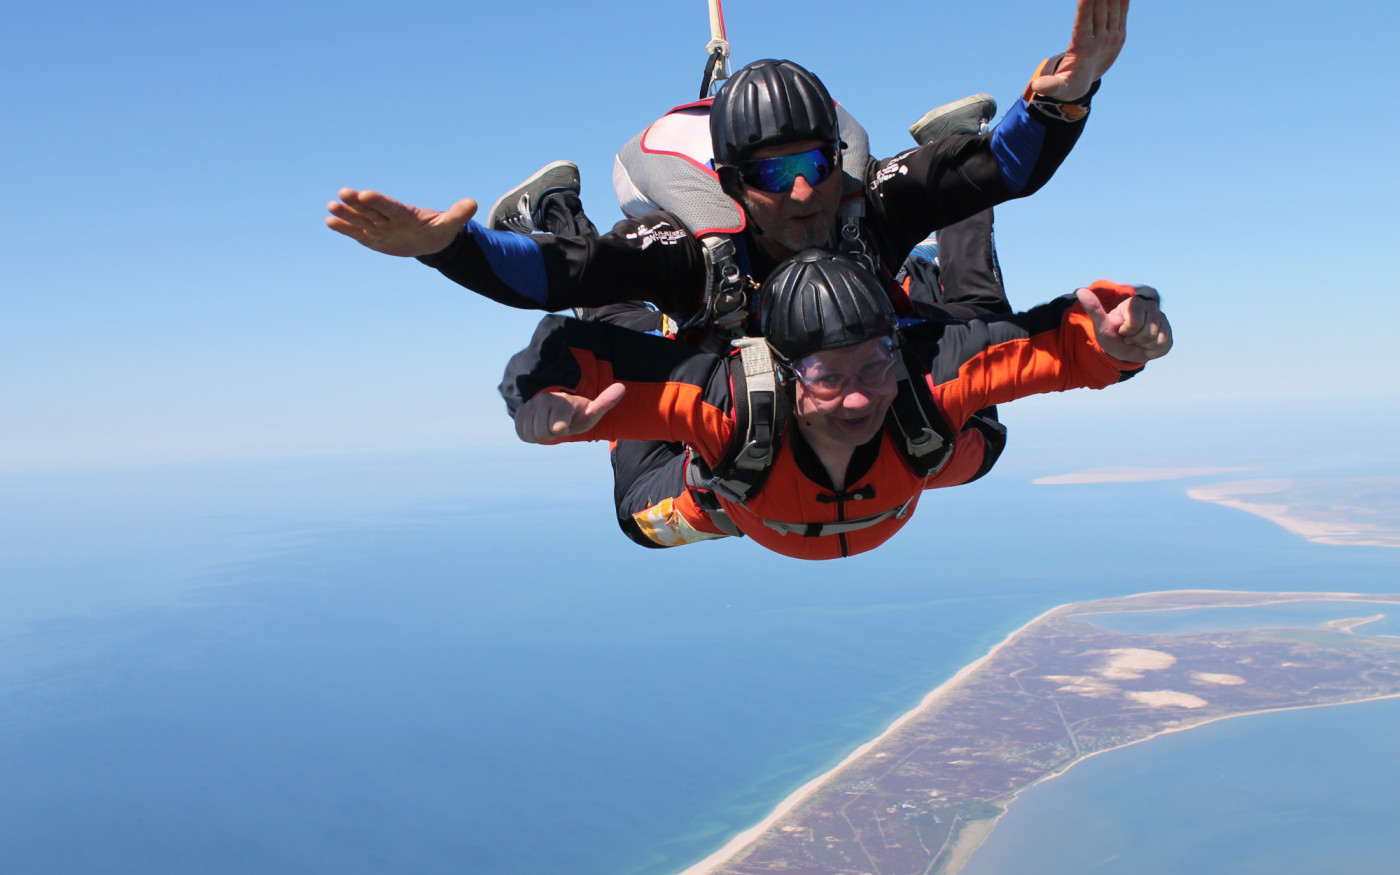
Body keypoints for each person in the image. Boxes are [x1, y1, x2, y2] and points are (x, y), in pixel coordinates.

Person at [324, 0, 1128, 325]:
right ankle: (550, 197)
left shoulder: (859, 200)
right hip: (668, 190)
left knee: (962, 300)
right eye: (777, 176)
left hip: (860, 271)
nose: (807, 188)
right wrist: (448, 248)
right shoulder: (703, 252)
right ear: (739, 187)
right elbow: (571, 274)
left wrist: (1061, 100)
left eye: (815, 163)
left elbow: (998, 173)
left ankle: (941, 134)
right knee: (638, 313)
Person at [501, 250, 1172, 560]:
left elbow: (1054, 345)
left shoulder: (926, 381)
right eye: (826, 372)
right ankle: (565, 227)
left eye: (875, 364)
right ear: (786, 373)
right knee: (639, 518)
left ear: (895, 349)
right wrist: (539, 396)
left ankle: (922, 274)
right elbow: (579, 355)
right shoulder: (727, 406)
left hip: (865, 476)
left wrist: (1120, 340)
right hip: (731, 493)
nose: (858, 395)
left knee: (983, 441)